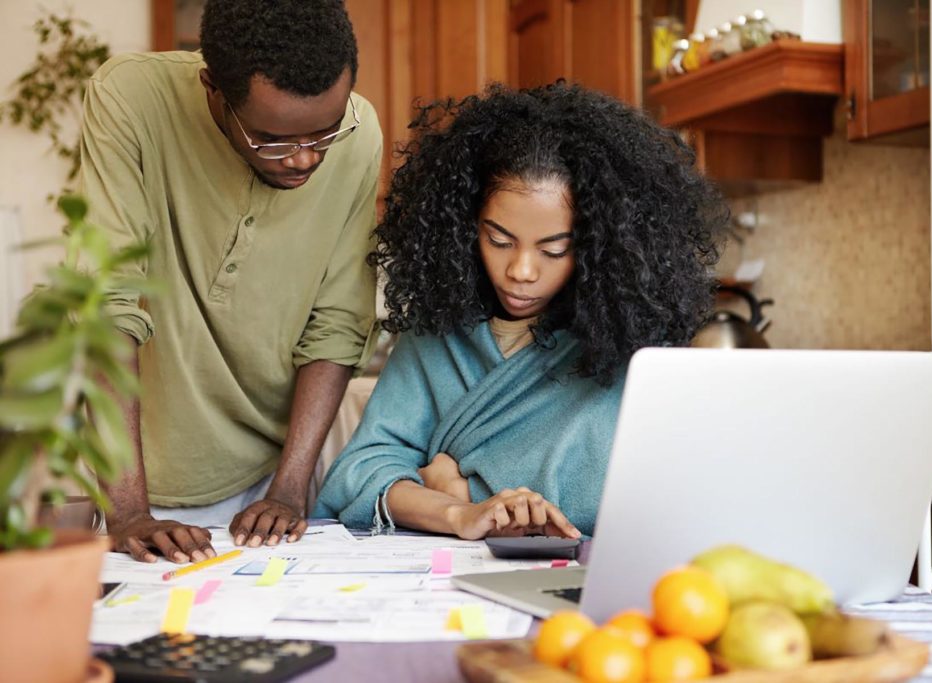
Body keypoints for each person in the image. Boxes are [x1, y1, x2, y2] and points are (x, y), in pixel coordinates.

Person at [313, 82, 727, 538]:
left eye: (553, 250)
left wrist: (463, 486)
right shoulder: (437, 331)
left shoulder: (624, 344)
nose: (521, 271)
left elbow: (632, 490)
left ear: (597, 247)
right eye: (499, 240)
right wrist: (454, 512)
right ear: (464, 227)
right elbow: (359, 471)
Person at [79, 0, 382, 563]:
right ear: (212, 88)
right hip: (136, 477)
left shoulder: (360, 137)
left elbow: (338, 321)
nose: (303, 160)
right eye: (272, 139)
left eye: (324, 133)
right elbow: (107, 303)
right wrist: (127, 511)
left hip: (273, 479)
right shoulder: (130, 99)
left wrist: (290, 489)